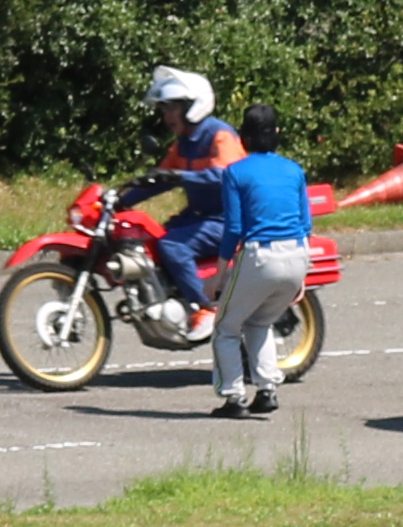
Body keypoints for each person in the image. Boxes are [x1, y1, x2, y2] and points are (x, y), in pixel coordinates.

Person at [114, 66, 244, 338]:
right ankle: (176, 298)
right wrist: (120, 200)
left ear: (193, 106)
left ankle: (204, 309)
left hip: (229, 218)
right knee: (152, 240)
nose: (167, 116)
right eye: (164, 109)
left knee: (172, 245)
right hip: (199, 216)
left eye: (173, 108)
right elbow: (161, 179)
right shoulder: (183, 144)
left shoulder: (219, 135)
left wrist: (180, 175)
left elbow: (225, 175)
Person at [208, 102, 313, 418]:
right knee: (260, 321)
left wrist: (219, 273)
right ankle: (267, 390)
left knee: (226, 327)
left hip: (260, 255)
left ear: (243, 138)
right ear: (277, 134)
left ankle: (233, 398)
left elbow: (235, 229)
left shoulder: (235, 172)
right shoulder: (294, 170)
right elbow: (305, 225)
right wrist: (302, 276)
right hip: (297, 254)